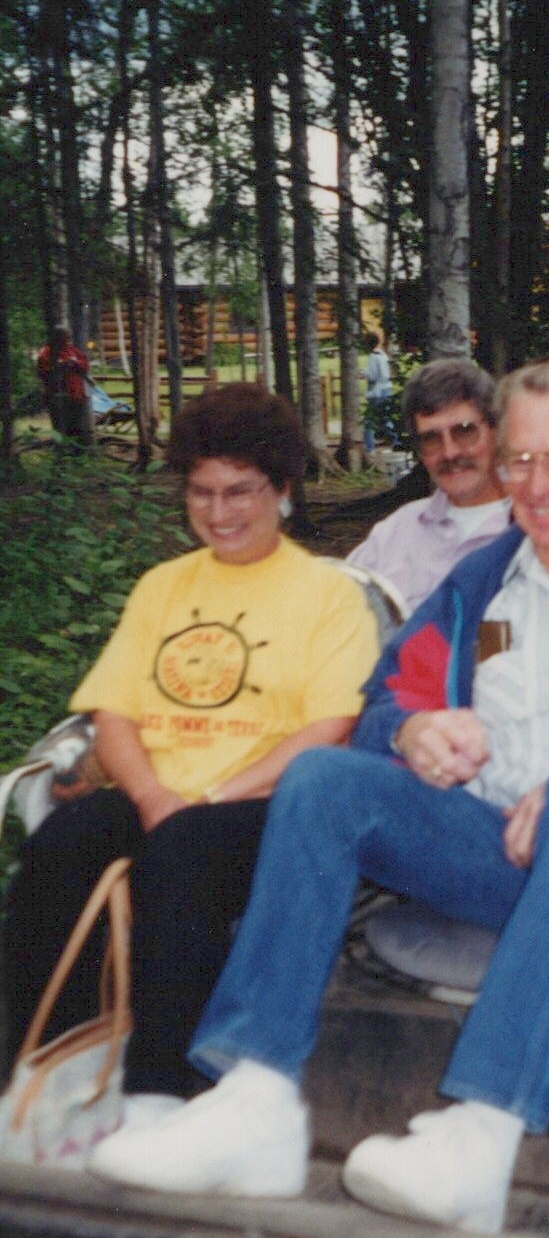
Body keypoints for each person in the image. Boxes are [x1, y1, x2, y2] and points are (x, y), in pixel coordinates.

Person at [88, 352, 549, 1232]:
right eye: (520, 460)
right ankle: (256, 1101)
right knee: (323, 779)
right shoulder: (480, 582)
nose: (536, 483)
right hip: (499, 848)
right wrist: (412, 731)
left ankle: (481, 1133)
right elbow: (388, 696)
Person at [1, 384, 379, 1103]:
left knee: (184, 851)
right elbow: (114, 712)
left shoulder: (328, 596)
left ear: (282, 488)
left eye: (239, 491)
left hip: (265, 807)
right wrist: (152, 796)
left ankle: (162, 1090)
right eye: (201, 491)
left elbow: (330, 727)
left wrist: (203, 800)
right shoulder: (162, 586)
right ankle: (44, 1073)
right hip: (160, 797)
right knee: (63, 841)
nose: (218, 511)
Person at [346, 359, 511, 611]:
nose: (450, 452)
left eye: (464, 431)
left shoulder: (538, 529)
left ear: (496, 432)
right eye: (431, 438)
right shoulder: (394, 535)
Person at [36, 325, 92, 446]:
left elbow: (85, 364)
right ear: (57, 337)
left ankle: (77, 450)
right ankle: (61, 450)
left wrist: (75, 363)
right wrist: (60, 366)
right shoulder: (47, 352)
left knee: (77, 425)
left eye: (68, 337)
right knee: (60, 426)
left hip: (76, 395)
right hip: (57, 396)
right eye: (65, 337)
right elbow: (43, 372)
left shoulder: (72, 349)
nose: (68, 340)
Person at [361, 331, 392, 456]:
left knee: (369, 421)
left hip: (377, 391)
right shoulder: (382, 355)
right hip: (386, 389)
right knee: (385, 419)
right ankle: (395, 443)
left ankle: (369, 448)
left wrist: (363, 373)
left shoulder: (373, 357)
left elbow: (373, 376)